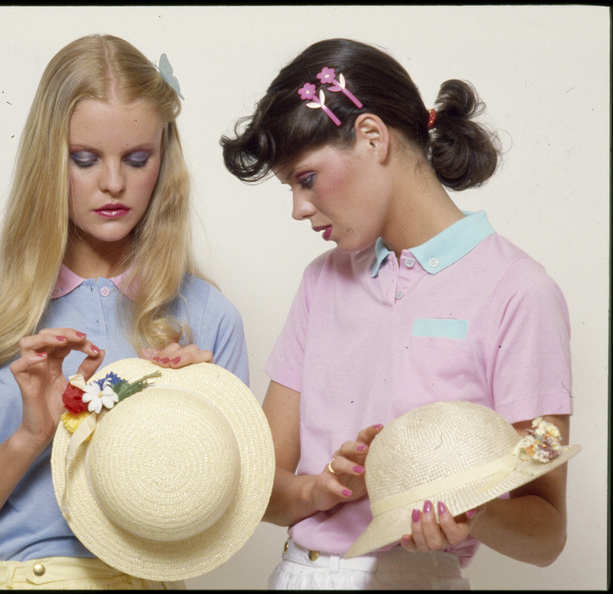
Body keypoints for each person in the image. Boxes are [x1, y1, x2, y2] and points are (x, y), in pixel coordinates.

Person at [221, 38, 573, 589]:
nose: (297, 208)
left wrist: (470, 511)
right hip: (298, 575)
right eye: (289, 187)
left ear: (371, 136)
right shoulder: (321, 281)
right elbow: (259, 490)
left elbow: (547, 535)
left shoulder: (518, 291)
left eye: (306, 178)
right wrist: (324, 488)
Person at [0, 34, 249, 589]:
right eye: (84, 159)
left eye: (138, 159)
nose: (114, 183)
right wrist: (30, 437)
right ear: (47, 159)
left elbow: (218, 536)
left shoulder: (208, 317)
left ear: (165, 159)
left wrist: (190, 419)